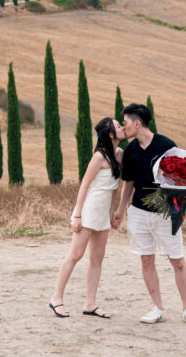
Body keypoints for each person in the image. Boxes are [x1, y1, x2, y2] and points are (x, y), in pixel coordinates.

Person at [112, 102, 186, 325]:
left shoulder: (166, 145)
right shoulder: (131, 150)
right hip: (139, 213)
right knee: (146, 261)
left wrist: (179, 208)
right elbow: (129, 183)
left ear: (137, 123)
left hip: (165, 214)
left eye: (125, 123)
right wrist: (121, 210)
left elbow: (182, 176)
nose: (124, 128)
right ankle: (158, 308)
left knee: (178, 261)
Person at [48, 117, 125, 318]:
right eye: (118, 126)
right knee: (75, 255)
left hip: (103, 215)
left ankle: (90, 303)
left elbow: (114, 188)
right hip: (89, 211)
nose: (122, 127)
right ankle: (56, 298)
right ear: (110, 134)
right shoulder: (99, 157)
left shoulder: (119, 155)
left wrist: (112, 212)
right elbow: (84, 185)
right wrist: (77, 215)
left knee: (97, 258)